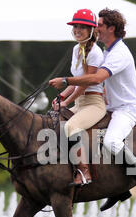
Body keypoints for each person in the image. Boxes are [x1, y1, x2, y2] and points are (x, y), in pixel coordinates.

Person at [49, 8, 136, 210]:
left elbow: (96, 79)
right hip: (110, 107)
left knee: (111, 142)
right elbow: (86, 78)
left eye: (98, 25)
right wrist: (63, 96)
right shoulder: (106, 51)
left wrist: (65, 82)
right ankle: (119, 189)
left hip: (126, 108)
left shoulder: (119, 53)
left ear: (111, 28)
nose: (95, 28)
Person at [52, 8, 106, 187]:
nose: (77, 29)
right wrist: (61, 96)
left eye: (82, 27)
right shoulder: (76, 49)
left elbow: (85, 84)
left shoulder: (96, 52)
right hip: (80, 102)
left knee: (71, 126)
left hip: (94, 103)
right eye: (75, 26)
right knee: (52, 120)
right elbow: (74, 81)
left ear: (91, 30)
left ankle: (84, 171)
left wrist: (67, 102)